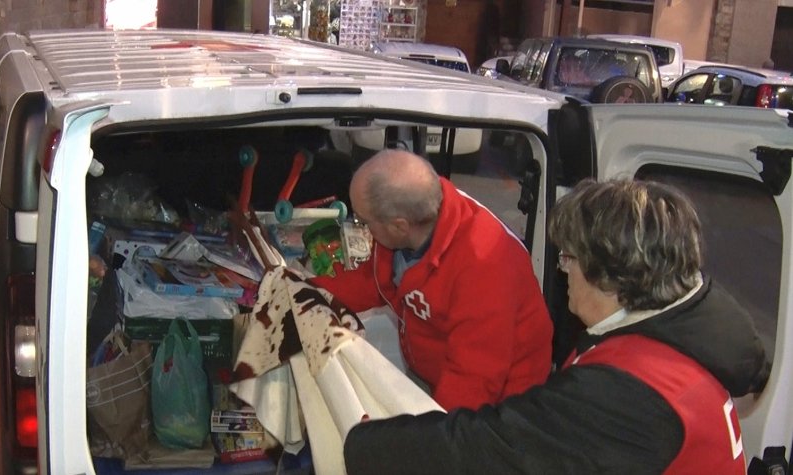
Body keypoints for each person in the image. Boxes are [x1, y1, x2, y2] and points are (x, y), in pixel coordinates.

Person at [343, 178, 770, 474]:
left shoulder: (630, 393)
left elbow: (492, 452)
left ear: (611, 275)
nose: (563, 272)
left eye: (569, 259)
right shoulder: (678, 331)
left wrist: (357, 442)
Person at [312, 149, 553, 411]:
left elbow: (472, 382)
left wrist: (430, 440)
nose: (362, 228)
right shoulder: (417, 216)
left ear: (399, 226)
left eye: (364, 221)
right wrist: (307, 290)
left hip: (500, 407)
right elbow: (374, 280)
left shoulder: (485, 267)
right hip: (438, 372)